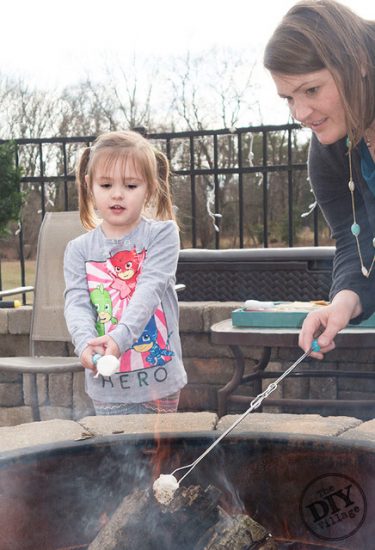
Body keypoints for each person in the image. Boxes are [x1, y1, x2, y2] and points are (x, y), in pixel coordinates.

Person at [264, 0, 375, 359]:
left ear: (358, 61)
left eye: (311, 90)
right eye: (289, 98)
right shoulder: (329, 150)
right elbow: (353, 241)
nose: (301, 113)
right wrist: (342, 303)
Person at [64, 130, 187, 414]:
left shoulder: (163, 234)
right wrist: (85, 344)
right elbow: (76, 303)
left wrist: (119, 339)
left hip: (159, 380)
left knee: (160, 458)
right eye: (106, 184)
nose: (117, 194)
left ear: (150, 188)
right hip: (107, 387)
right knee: (117, 458)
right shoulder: (78, 249)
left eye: (131, 185)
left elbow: (150, 290)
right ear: (89, 185)